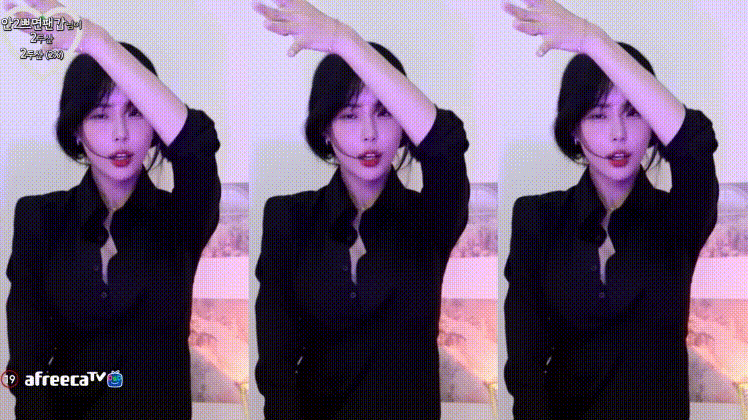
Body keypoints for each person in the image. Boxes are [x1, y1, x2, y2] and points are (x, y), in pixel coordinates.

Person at [251, 1, 470, 418]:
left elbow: (445, 143)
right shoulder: (287, 218)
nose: (370, 134)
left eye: (385, 113)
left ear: (404, 125)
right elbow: (276, 368)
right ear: (326, 130)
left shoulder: (431, 217)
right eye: (350, 116)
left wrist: (342, 39)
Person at [501, 1, 718, 418]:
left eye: (633, 113)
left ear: (653, 125)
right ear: (574, 130)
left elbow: (694, 142)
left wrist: (591, 38)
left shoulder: (679, 217)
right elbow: (525, 369)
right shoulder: (537, 218)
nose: (618, 134)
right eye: (599, 115)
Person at [4, 1, 221, 418]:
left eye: (135, 113)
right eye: (101, 115)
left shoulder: (182, 218)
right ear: (76, 129)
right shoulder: (39, 218)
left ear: (155, 127)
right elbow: (27, 369)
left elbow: (195, 143)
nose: (121, 134)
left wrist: (93, 39)